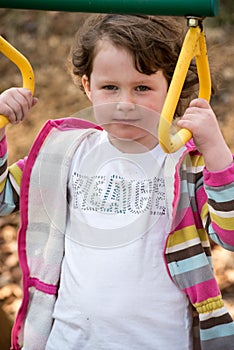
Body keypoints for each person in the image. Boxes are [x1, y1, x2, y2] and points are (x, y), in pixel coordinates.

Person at [0, 14, 233, 350]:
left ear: (172, 88)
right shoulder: (64, 154)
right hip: (68, 341)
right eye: (110, 87)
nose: (125, 104)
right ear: (87, 87)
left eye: (142, 88)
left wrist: (217, 151)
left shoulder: (187, 167)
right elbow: (4, 198)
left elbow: (230, 234)